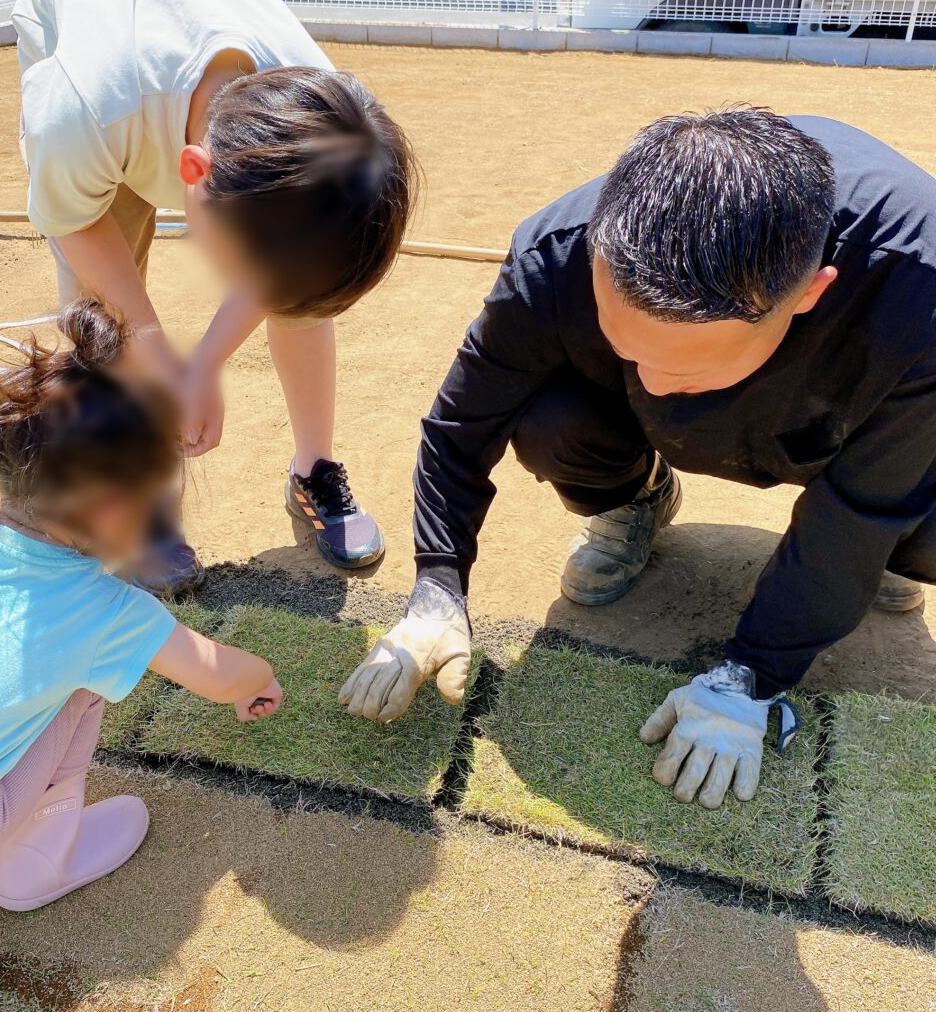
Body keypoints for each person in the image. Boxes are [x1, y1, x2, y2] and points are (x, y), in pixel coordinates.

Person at [340, 109, 936, 810]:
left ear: (809, 293)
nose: (654, 385)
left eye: (689, 369)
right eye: (631, 348)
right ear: (597, 257)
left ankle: (889, 564)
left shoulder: (918, 290)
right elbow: (461, 426)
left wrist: (753, 675)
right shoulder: (556, 253)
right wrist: (439, 585)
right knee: (549, 418)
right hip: (634, 411)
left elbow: (861, 506)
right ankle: (636, 499)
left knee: (908, 526)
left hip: (840, 423)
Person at [12, 0, 419, 594]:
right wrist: (150, 345)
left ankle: (313, 469)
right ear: (193, 174)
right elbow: (71, 217)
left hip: (168, 102)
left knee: (301, 275)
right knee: (103, 318)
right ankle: (133, 493)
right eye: (241, 273)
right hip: (99, 79)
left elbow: (286, 274)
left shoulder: (329, 120)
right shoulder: (81, 108)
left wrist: (202, 364)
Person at [0, 300, 283, 911]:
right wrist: (259, 678)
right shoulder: (103, 609)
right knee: (83, 686)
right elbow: (218, 675)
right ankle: (39, 863)